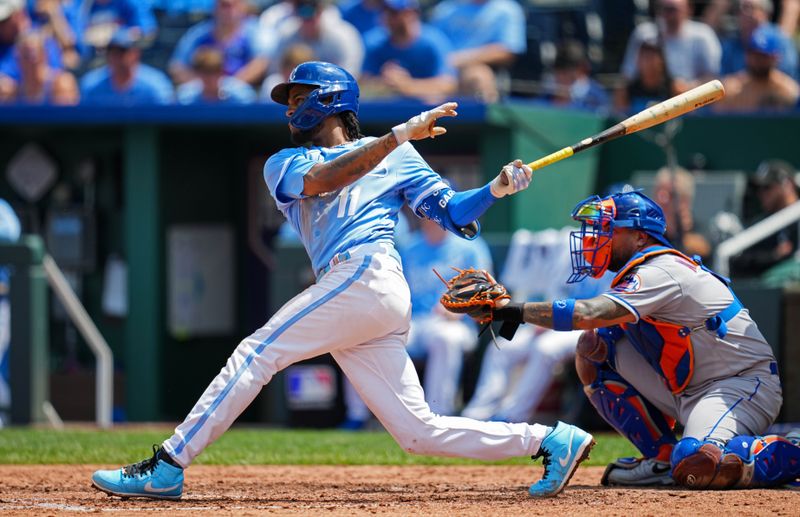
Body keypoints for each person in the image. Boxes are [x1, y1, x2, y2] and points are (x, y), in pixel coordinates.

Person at [90, 60, 595, 500]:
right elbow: (326, 179)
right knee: (418, 432)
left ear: (330, 101)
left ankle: (167, 465)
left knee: (256, 352)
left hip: (368, 275)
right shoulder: (284, 162)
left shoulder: (395, 153)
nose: (290, 109)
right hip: (358, 289)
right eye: (288, 100)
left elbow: (454, 212)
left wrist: (496, 187)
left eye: (299, 98)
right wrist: (397, 136)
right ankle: (549, 440)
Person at [451, 189, 799, 489]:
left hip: (739, 385)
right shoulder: (638, 272)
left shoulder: (661, 269)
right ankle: (662, 459)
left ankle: (792, 453)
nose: (594, 237)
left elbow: (587, 312)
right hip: (689, 388)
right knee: (596, 348)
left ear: (640, 237)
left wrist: (513, 310)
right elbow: (594, 327)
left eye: (607, 229)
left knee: (696, 462)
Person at [343, 216, 493, 427]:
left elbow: (484, 288)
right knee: (363, 338)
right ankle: (357, 415)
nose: (433, 220)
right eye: (428, 214)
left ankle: (438, 416)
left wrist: (458, 307)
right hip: (412, 322)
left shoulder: (470, 246)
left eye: (439, 214)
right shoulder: (410, 247)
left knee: (445, 338)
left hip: (454, 323)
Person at [461, 228, 610, 424]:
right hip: (556, 320)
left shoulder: (614, 257)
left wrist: (555, 320)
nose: (588, 237)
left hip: (588, 326)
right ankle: (477, 414)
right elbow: (556, 294)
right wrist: (546, 318)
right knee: (501, 347)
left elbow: (603, 311)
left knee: (545, 349)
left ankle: (512, 417)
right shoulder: (571, 250)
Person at [429, 0, 526, 102]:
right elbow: (430, 40)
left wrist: (461, 59)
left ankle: (478, 117)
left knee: (478, 76)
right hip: (440, 67)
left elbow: (508, 50)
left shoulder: (507, 9)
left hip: (475, 68)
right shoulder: (447, 7)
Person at [360, 0, 456, 102]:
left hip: (424, 110)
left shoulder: (433, 42)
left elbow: (448, 85)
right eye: (385, 11)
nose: (388, 17)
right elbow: (364, 82)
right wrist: (385, 82)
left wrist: (408, 85)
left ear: (413, 13)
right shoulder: (374, 42)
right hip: (386, 112)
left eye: (394, 12)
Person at [620, 0, 721, 94]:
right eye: (663, 8)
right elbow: (628, 75)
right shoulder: (644, 34)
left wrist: (687, 88)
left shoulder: (703, 34)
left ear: (688, 9)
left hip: (694, 100)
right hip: (653, 96)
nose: (668, 14)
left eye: (673, 9)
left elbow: (714, 77)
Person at [170, 0, 269, 87]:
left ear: (243, 7)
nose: (229, 11)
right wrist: (203, 86)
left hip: (239, 92)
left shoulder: (253, 31)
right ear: (215, 8)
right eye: (224, 5)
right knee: (185, 95)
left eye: (233, 5)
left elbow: (261, 63)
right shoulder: (199, 33)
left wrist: (232, 86)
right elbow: (177, 66)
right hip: (203, 93)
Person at [730, 159, 799, 277]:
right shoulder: (760, 225)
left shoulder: (796, 218)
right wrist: (773, 255)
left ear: (787, 185)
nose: (761, 193)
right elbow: (739, 259)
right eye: (758, 189)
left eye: (767, 187)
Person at [266, 0, 363, 77]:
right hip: (296, 90)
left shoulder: (343, 36)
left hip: (332, 91)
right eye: (301, 9)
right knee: (271, 83)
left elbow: (350, 74)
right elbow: (275, 70)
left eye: (311, 9)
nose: (307, 17)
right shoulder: (286, 35)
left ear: (321, 10)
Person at [715, 24, 800, 112]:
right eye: (754, 54)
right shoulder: (731, 90)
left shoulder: (788, 91)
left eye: (763, 56)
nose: (758, 60)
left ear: (775, 57)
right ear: (747, 55)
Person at [80, 28, 173, 105]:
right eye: (111, 51)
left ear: (135, 54)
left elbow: (167, 119)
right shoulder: (92, 85)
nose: (116, 56)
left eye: (122, 51)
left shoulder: (155, 84)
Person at [719, 0, 798, 80]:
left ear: (765, 13)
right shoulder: (730, 44)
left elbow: (788, 81)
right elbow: (723, 80)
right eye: (739, 9)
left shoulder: (780, 40)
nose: (744, 13)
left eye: (749, 8)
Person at [652, 166, 711, 261]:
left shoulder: (702, 229)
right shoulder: (649, 231)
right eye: (658, 192)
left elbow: (703, 249)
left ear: (685, 201)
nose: (661, 200)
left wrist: (682, 233)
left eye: (671, 194)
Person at [13, 30, 78, 104]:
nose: (31, 61)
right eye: (26, 55)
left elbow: (69, 114)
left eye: (34, 54)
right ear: (17, 59)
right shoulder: (13, 93)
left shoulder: (61, 84)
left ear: (44, 55)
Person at [176, 45, 256, 104]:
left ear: (222, 72)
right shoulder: (185, 99)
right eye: (206, 72)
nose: (210, 77)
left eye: (215, 71)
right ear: (197, 73)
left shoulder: (241, 97)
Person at [614, 38, 675, 113]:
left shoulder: (673, 89)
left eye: (652, 56)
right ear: (637, 61)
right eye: (645, 57)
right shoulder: (625, 92)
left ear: (662, 61)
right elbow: (620, 118)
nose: (649, 63)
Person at [545, 39, 609, 112]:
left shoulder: (596, 98)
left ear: (582, 70)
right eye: (559, 74)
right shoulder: (547, 95)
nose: (563, 80)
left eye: (570, 76)